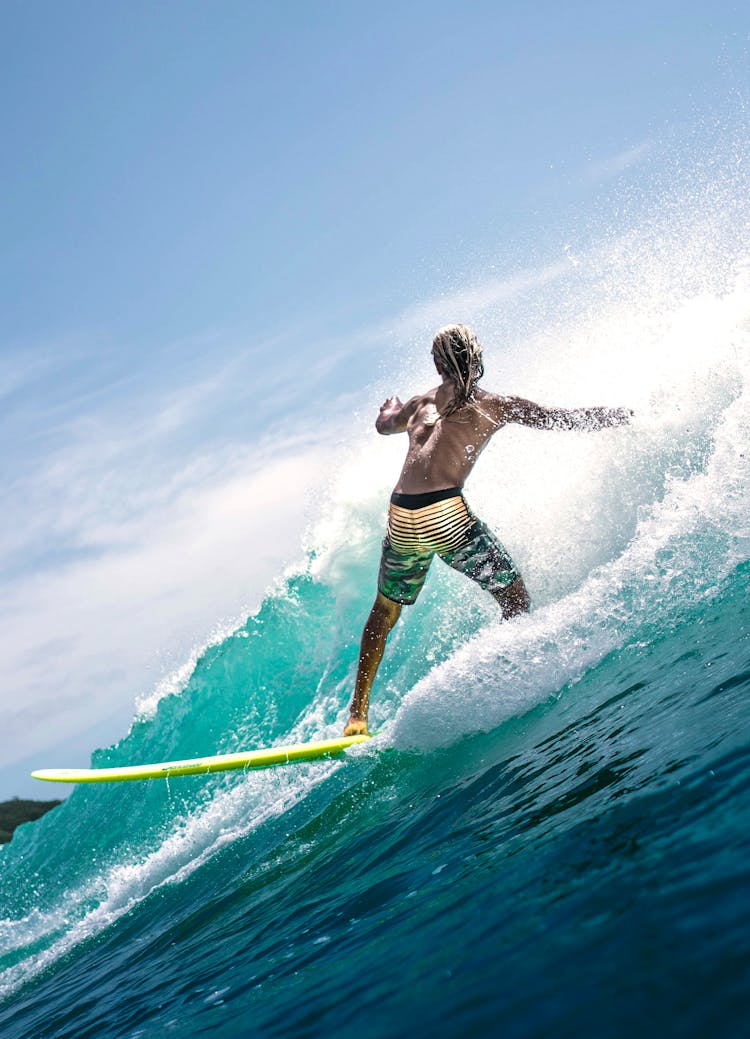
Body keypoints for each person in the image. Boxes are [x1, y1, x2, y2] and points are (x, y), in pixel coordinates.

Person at [344, 323, 632, 736]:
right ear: (476, 358)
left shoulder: (418, 403)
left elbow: (384, 425)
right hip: (444, 513)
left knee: (384, 610)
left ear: (437, 363)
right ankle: (502, 683)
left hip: (402, 512)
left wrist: (385, 408)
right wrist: (614, 418)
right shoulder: (495, 404)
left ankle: (357, 715)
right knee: (514, 598)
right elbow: (560, 420)